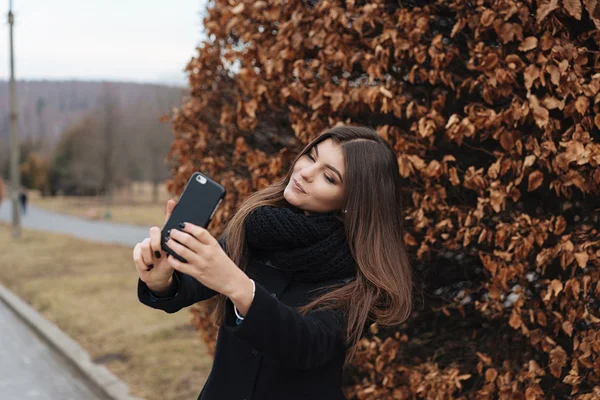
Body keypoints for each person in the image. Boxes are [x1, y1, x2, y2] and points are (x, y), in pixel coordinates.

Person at [132, 126, 413, 400]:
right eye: (311, 157)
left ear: (353, 201)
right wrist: (161, 282)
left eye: (329, 177)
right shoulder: (258, 225)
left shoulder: (360, 275)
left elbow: (307, 345)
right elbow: (191, 286)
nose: (305, 172)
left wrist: (239, 286)